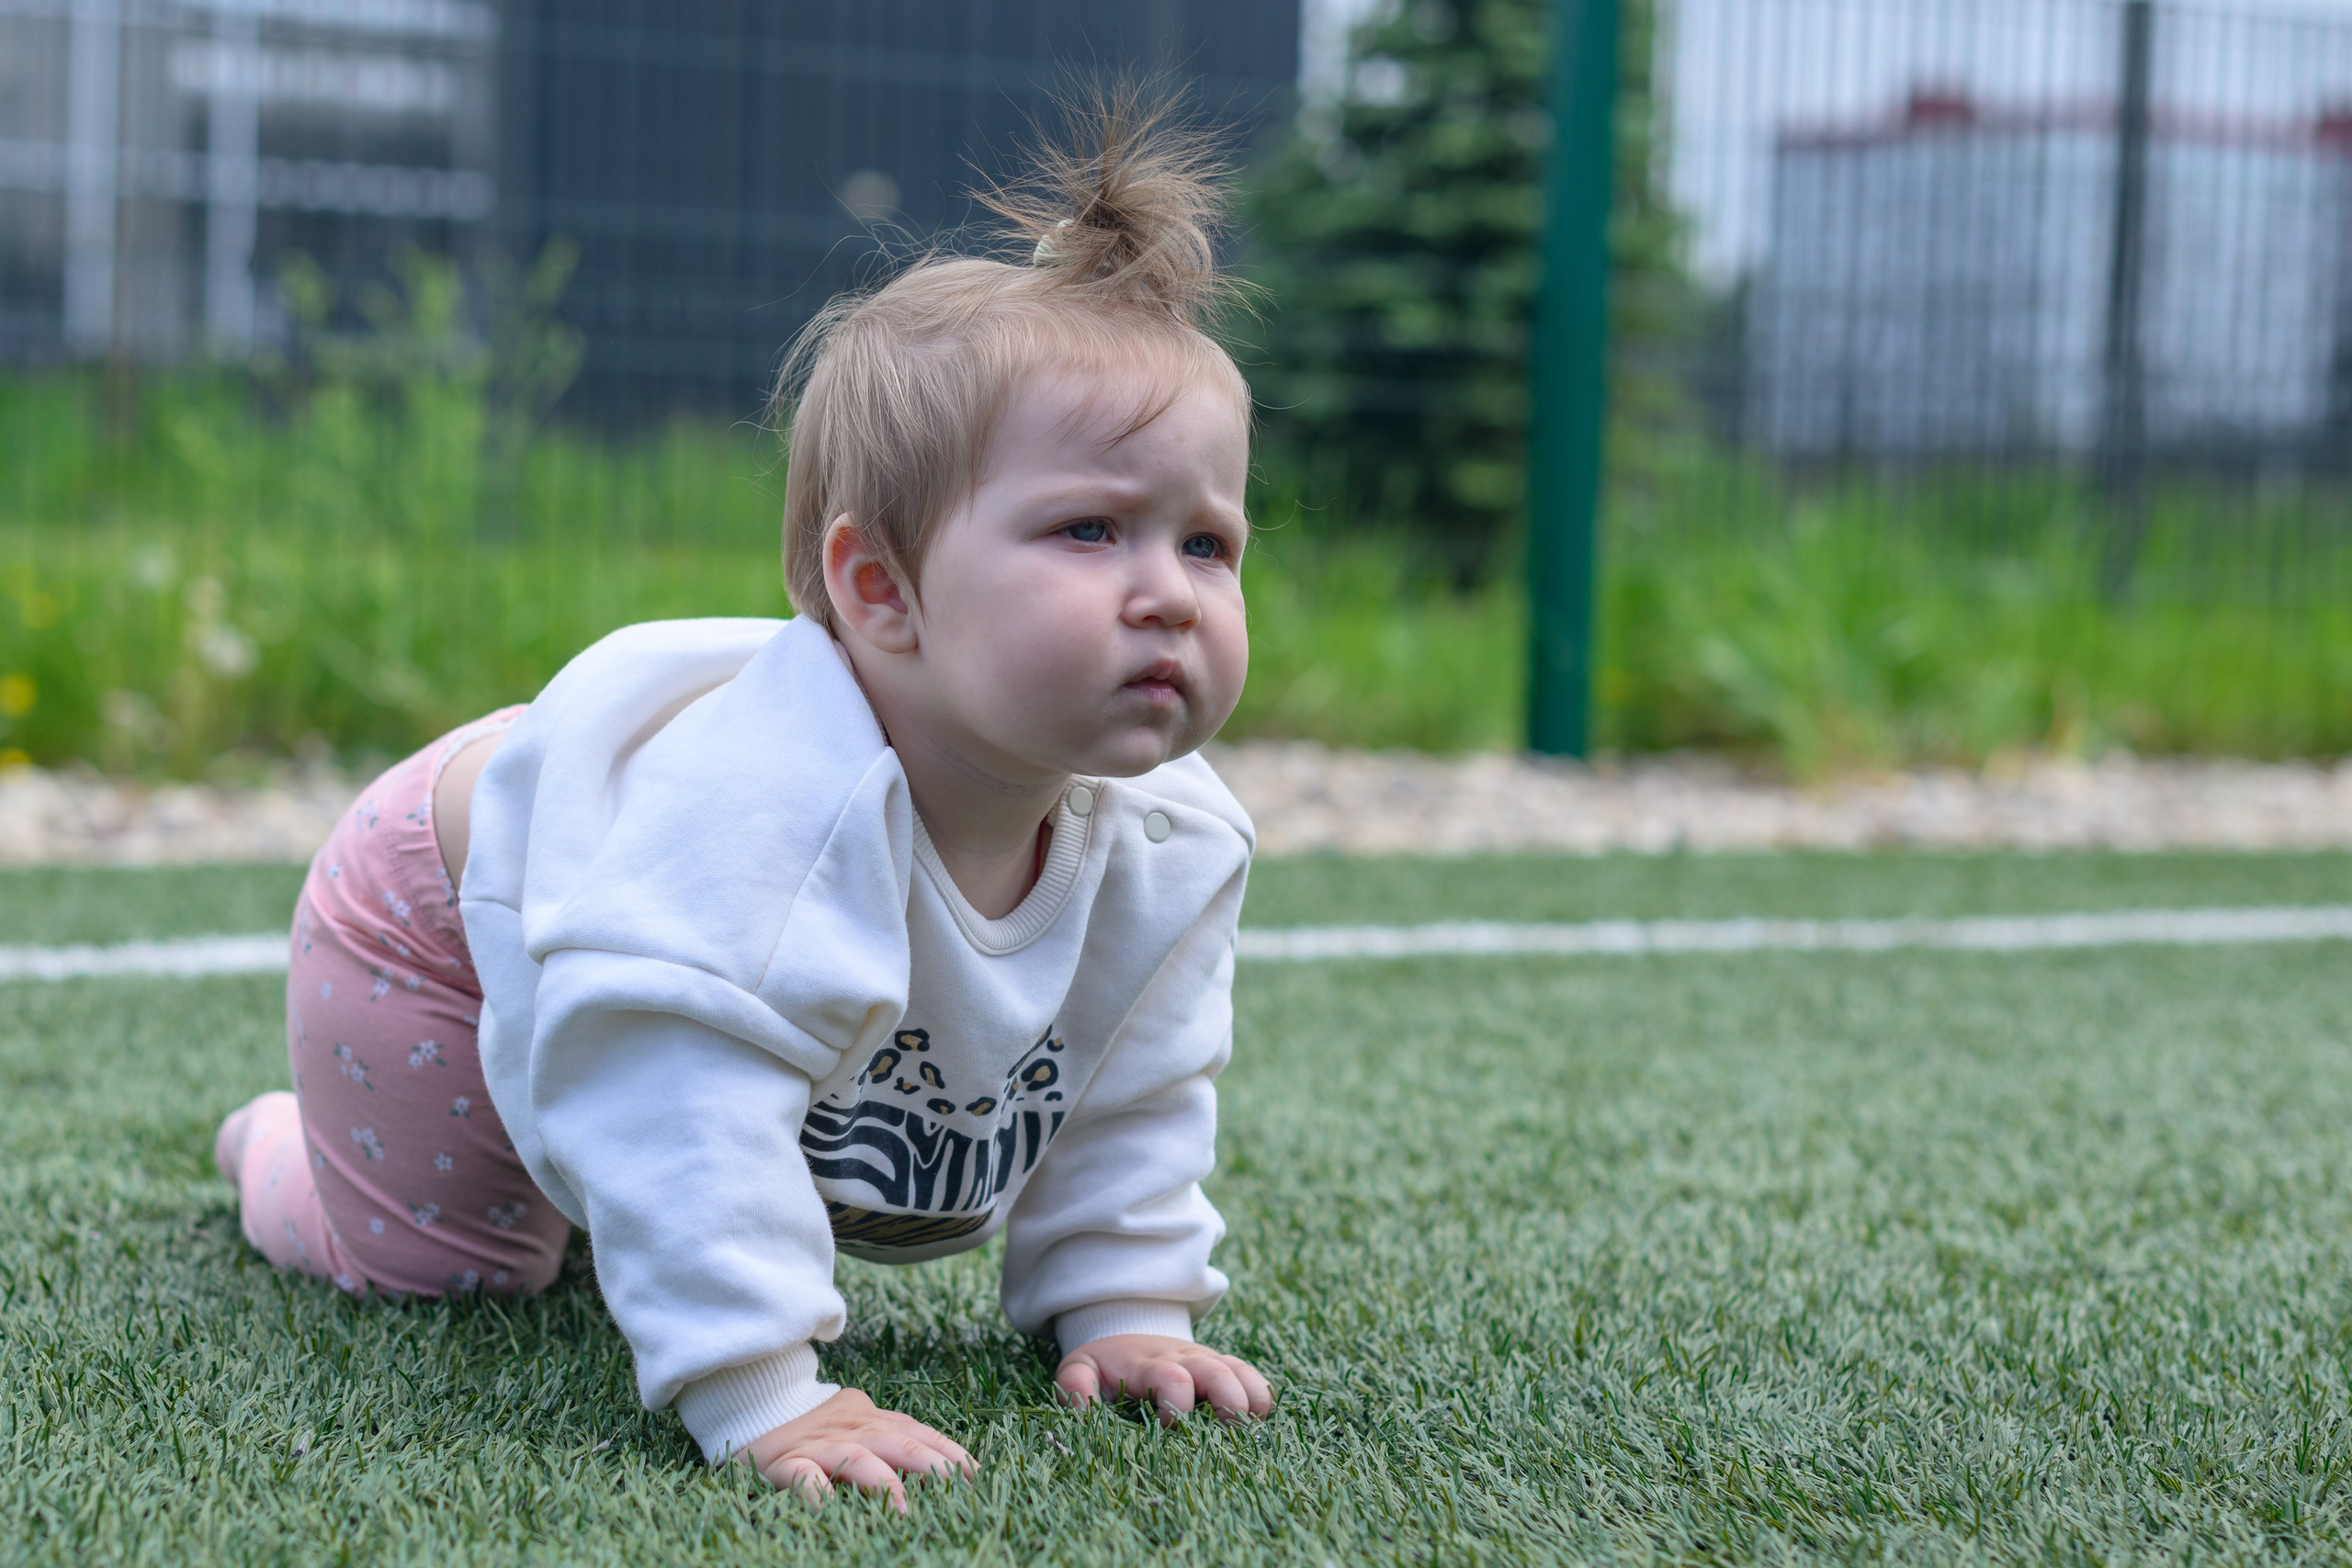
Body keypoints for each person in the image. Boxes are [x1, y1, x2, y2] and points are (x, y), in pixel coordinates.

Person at [212, 95, 1276, 1510]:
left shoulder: (1173, 843)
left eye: (1208, 542)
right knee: (461, 1274)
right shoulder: (767, 814)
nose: (1167, 590)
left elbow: (1130, 1088)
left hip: (644, 917)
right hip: (448, 911)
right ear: (878, 590)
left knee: (643, 1169)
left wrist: (1129, 1304)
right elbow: (677, 1092)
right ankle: (278, 1145)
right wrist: (766, 1386)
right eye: (1090, 527)